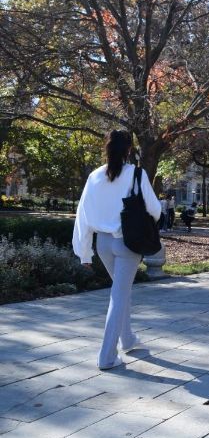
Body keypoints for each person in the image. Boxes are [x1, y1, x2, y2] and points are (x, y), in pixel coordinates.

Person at [72, 130, 161, 370]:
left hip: (102, 244)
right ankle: (107, 356)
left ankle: (128, 339)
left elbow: (83, 216)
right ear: (129, 150)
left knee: (121, 293)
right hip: (127, 243)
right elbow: (154, 209)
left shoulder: (94, 176)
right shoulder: (136, 174)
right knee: (119, 295)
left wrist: (84, 252)